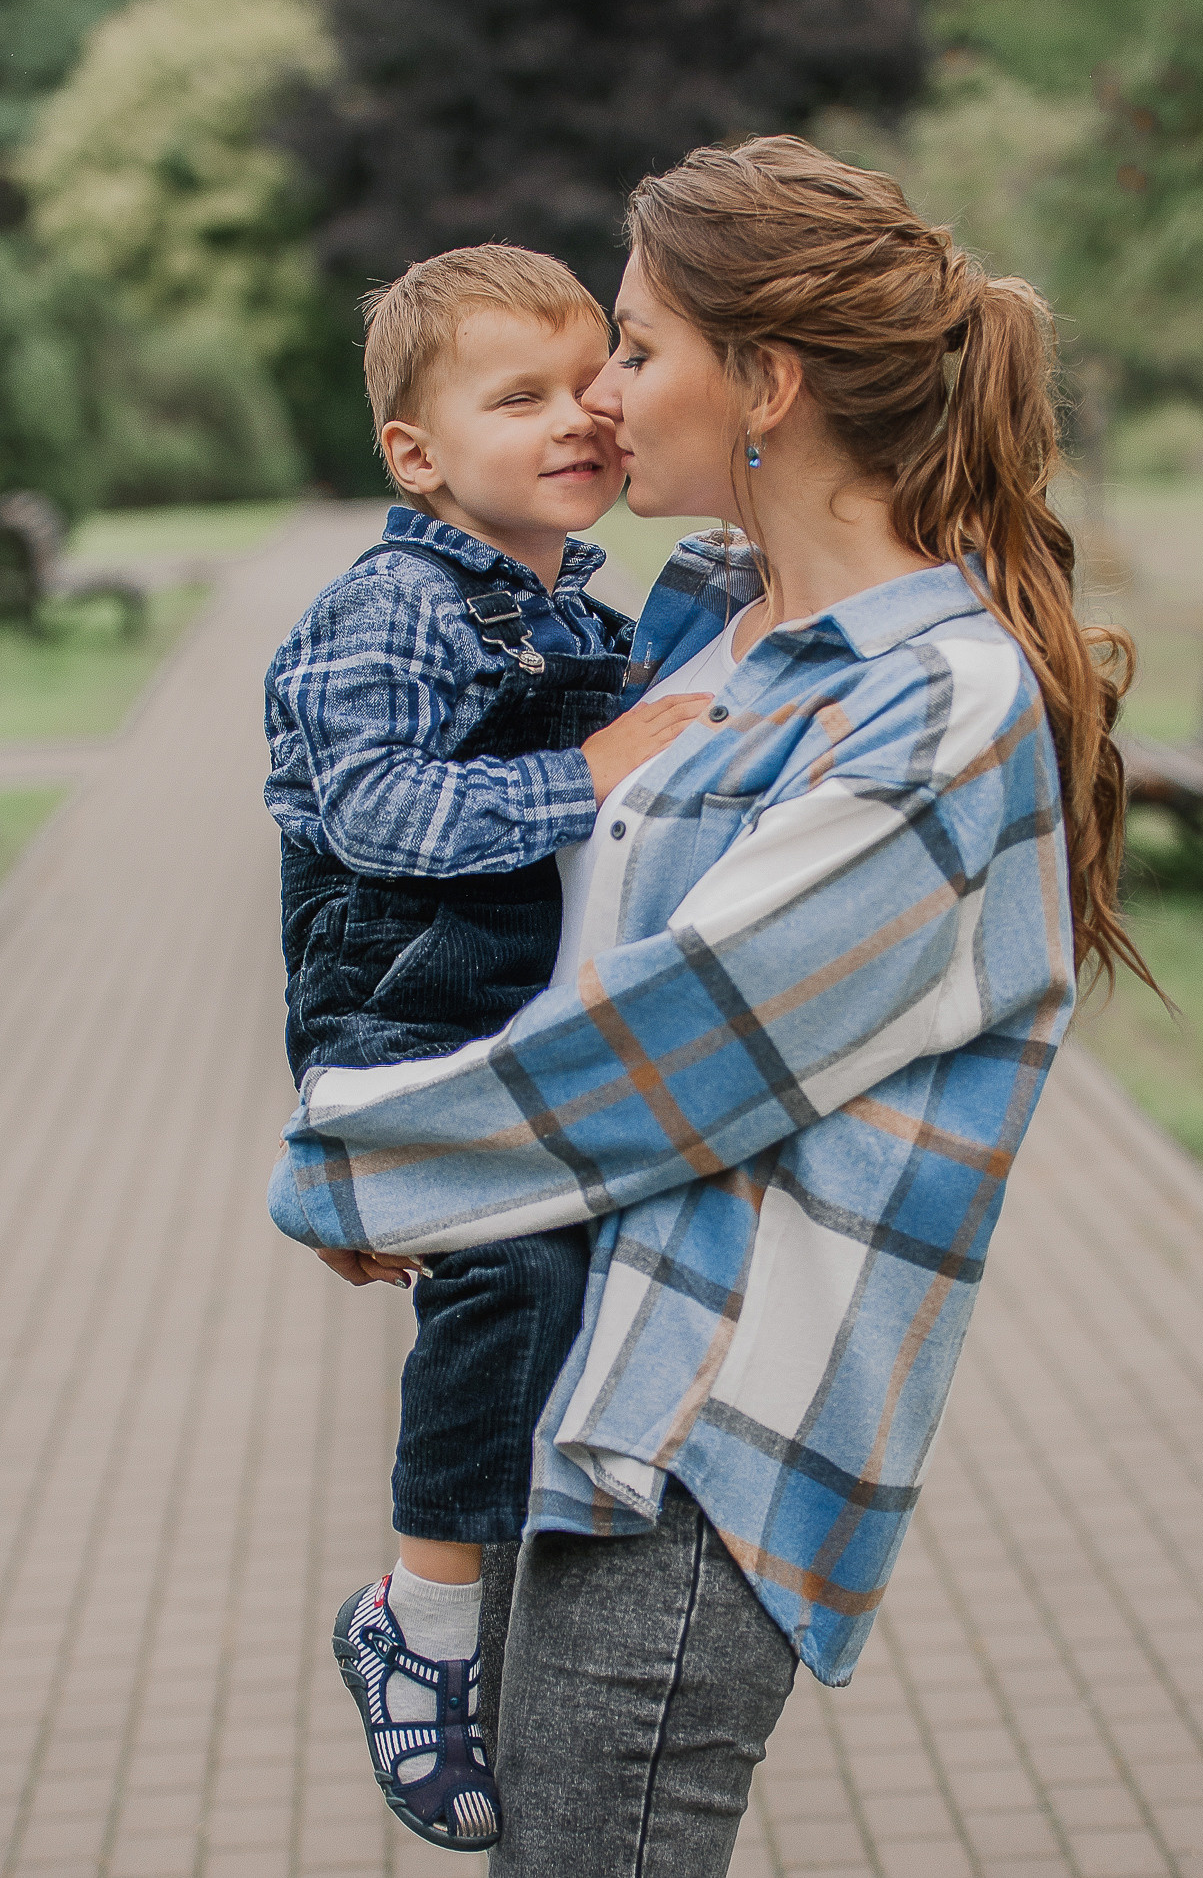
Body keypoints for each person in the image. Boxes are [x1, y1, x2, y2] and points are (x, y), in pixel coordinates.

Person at [270, 137, 1158, 1875]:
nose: (601, 394)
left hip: (696, 1436)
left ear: (768, 383)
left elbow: (668, 1053)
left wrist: (347, 1163)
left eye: (634, 344)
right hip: (580, 1379)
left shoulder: (934, 708)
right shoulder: (726, 643)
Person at [262, 244, 711, 1851]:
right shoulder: (385, 606)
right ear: (415, 453)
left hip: (504, 1002)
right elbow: (380, 814)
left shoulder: (555, 602)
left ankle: (478, 1582)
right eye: (516, 396)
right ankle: (417, 1623)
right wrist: (585, 770)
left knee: (555, 1282)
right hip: (402, 997)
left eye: (591, 381)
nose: (579, 416)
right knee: (510, 1281)